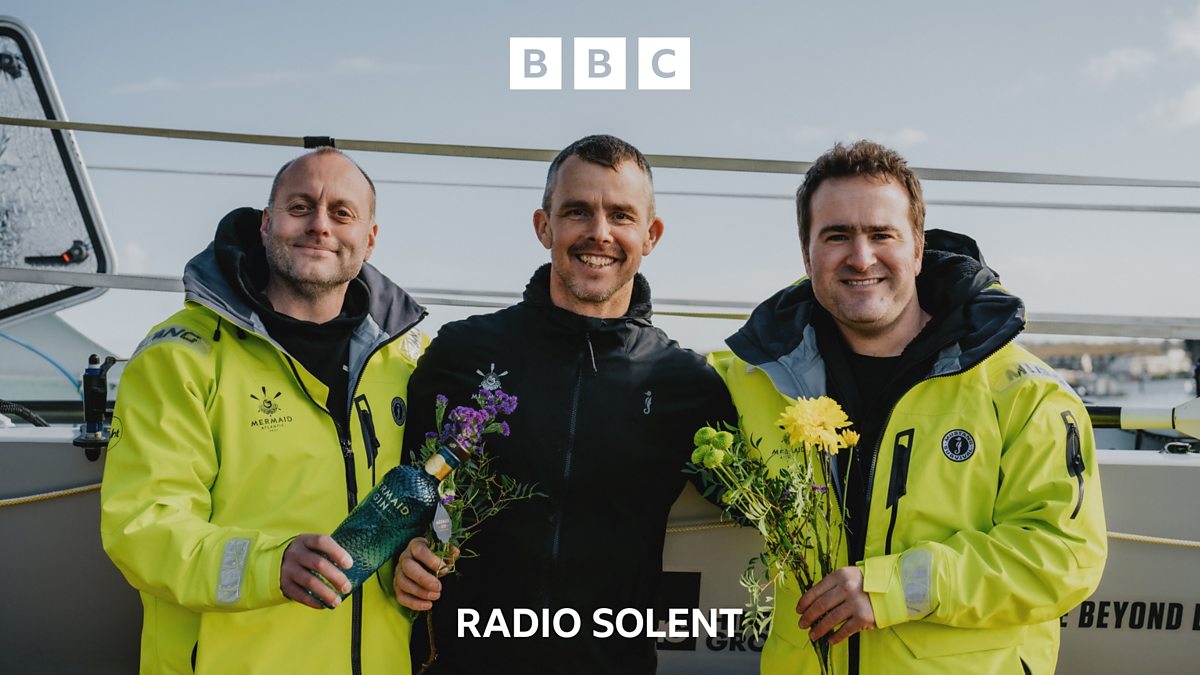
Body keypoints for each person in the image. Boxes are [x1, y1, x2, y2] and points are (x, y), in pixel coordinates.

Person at [710, 140, 1107, 675]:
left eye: (882, 234)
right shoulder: (753, 377)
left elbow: (1065, 554)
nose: (861, 256)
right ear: (806, 256)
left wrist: (894, 589)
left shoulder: (1024, 394)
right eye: (836, 236)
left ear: (918, 249)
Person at [393, 134, 736, 674]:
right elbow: (401, 489)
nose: (599, 232)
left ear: (651, 235)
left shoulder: (686, 383)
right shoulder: (462, 352)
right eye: (578, 211)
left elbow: (761, 502)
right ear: (544, 225)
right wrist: (402, 553)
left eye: (621, 215)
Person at [100, 147, 427, 675]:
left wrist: (425, 555)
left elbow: (434, 510)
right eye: (301, 207)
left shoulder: (411, 362)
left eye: (342, 213)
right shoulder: (179, 357)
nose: (320, 225)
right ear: (266, 223)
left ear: (369, 239)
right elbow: (144, 527)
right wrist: (269, 565)